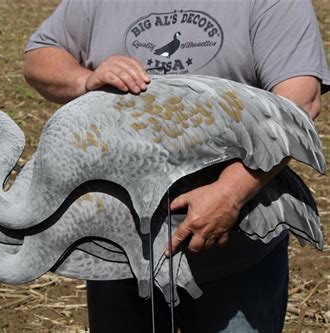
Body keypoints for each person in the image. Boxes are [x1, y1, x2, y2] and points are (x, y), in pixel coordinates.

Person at [23, 1, 329, 332]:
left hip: (233, 254)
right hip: (118, 255)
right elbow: (40, 56)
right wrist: (85, 80)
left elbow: (299, 101)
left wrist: (231, 192)